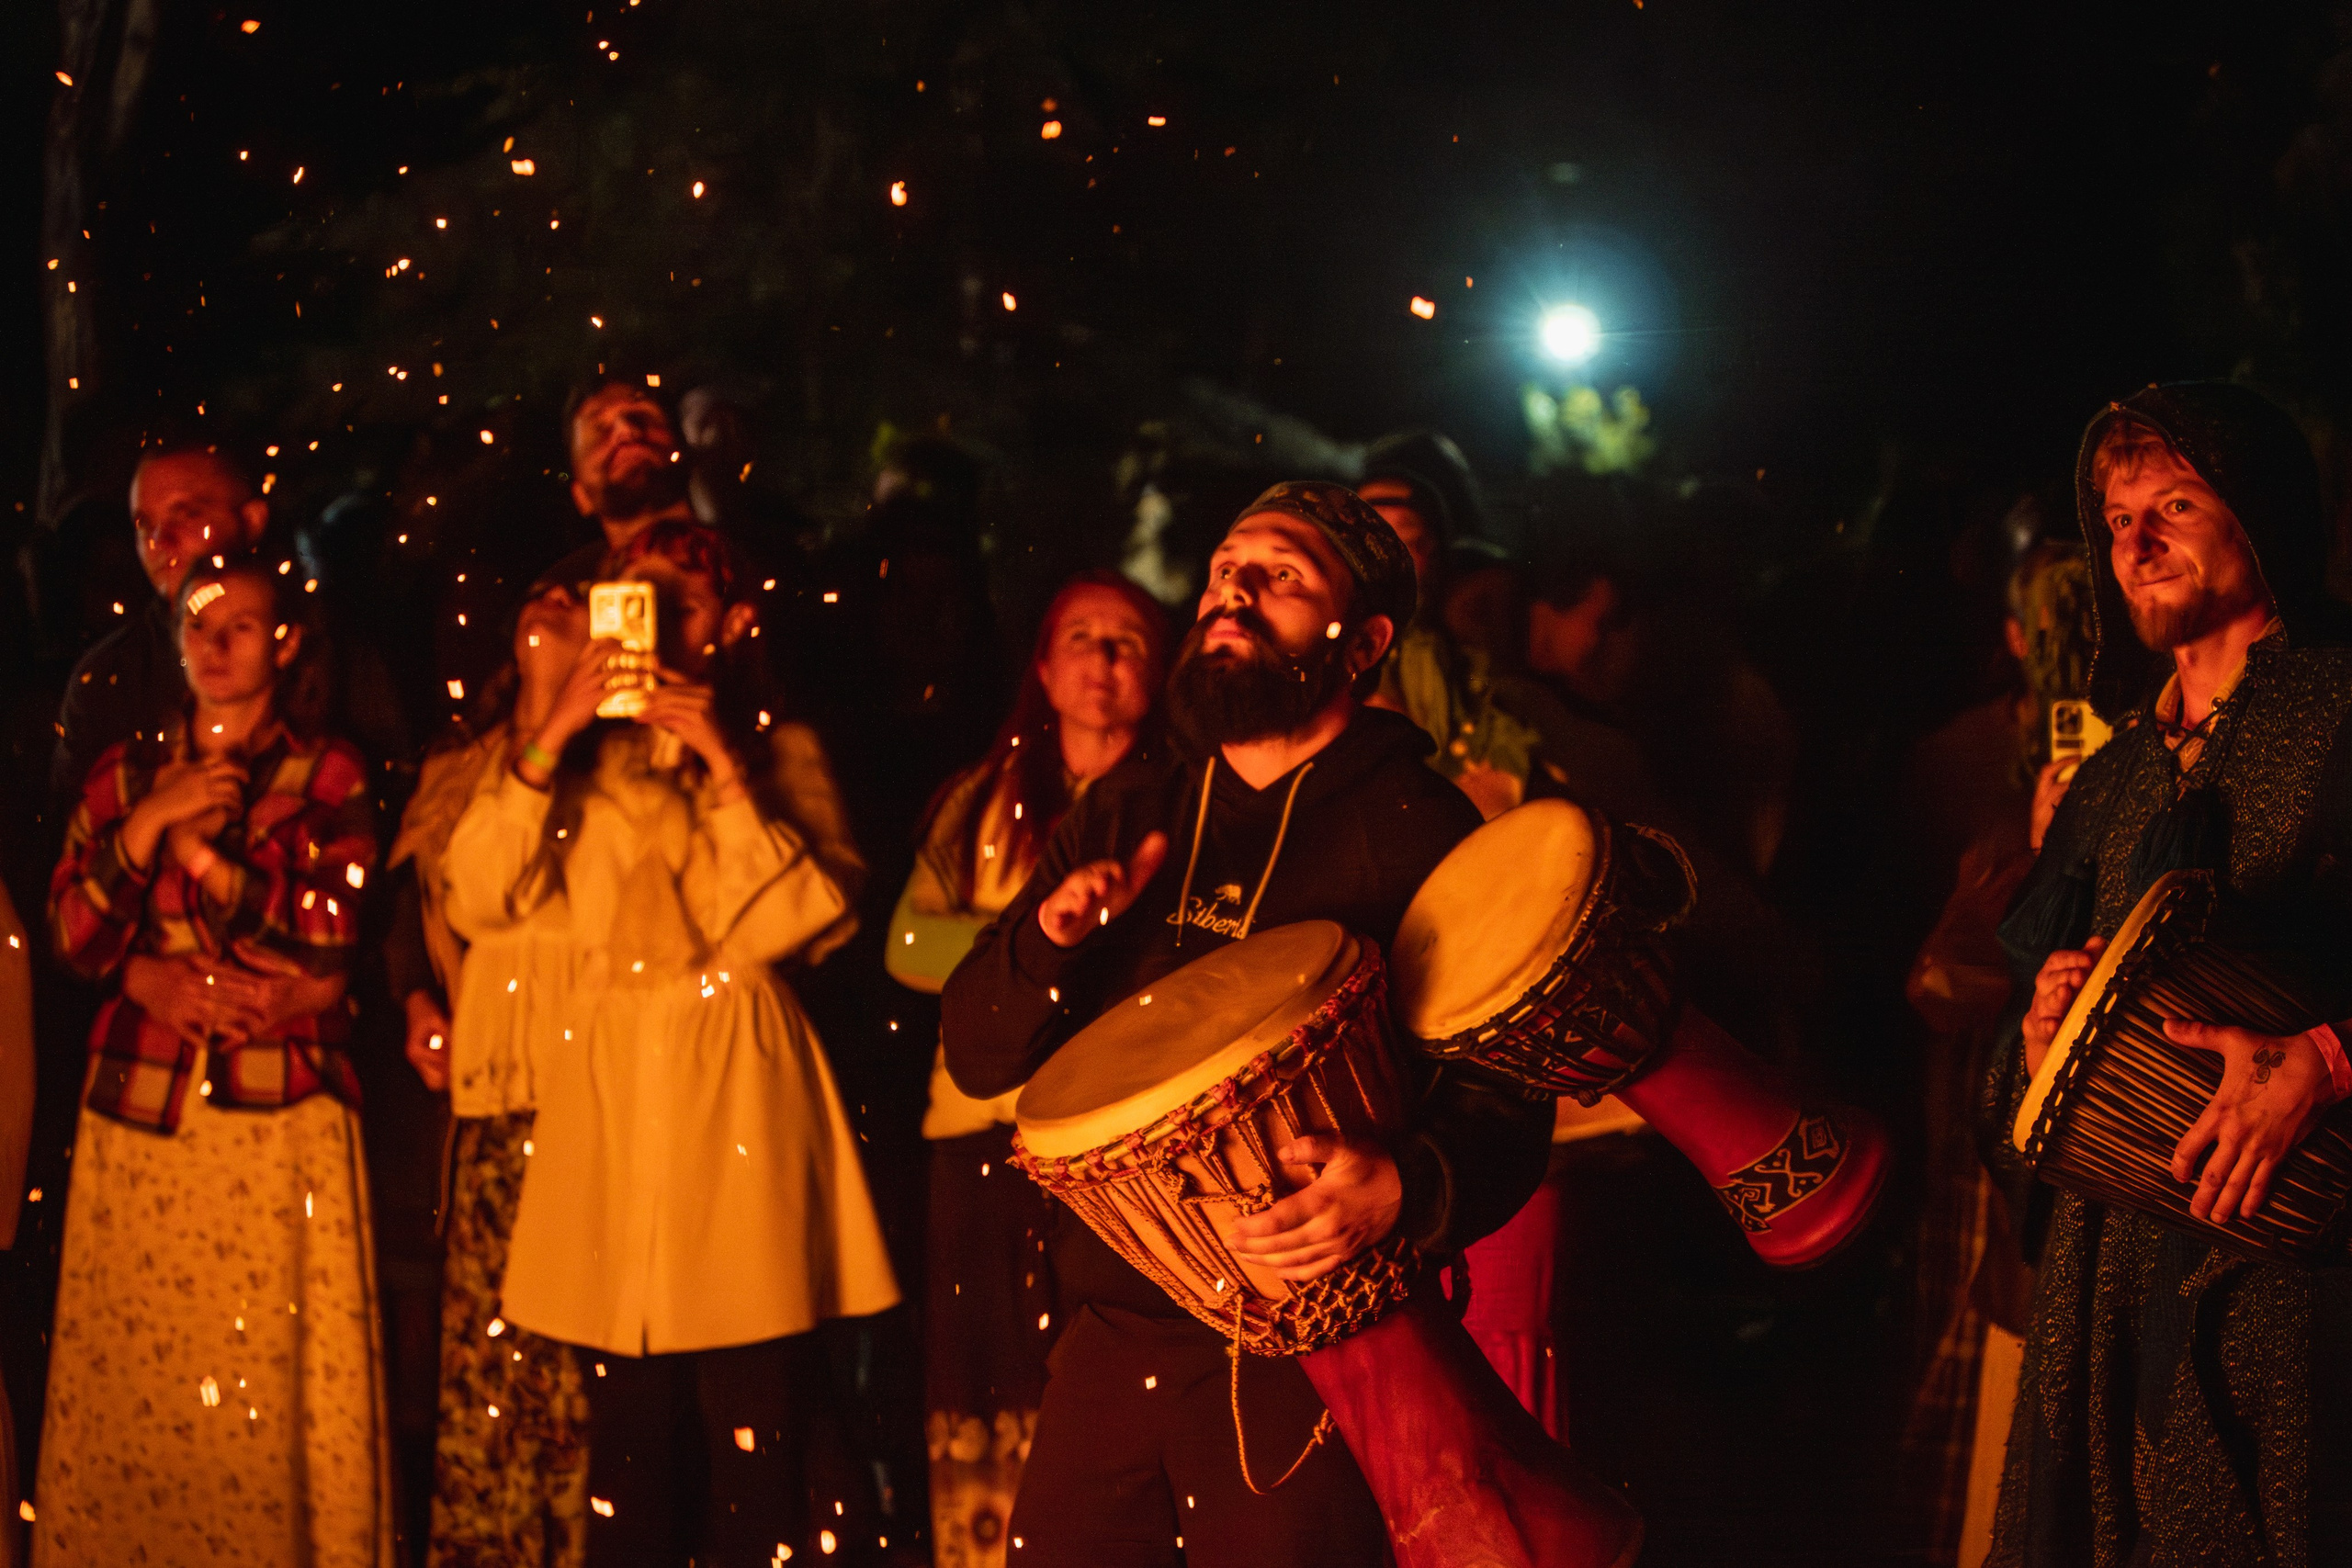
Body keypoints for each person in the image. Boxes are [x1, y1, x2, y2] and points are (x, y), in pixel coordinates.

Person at [942, 481, 1553, 1567]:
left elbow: (1511, 1101)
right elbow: (980, 1053)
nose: (1232, 595)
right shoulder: (1133, 803)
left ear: (1361, 639)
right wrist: (1050, 934)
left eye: (1278, 577)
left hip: (1311, 1351)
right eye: (1225, 571)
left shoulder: (1417, 825)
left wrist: (1406, 1185)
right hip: (1106, 1338)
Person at [449, 521, 897, 1566]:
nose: (652, 624)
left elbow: (802, 918)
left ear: (732, 622)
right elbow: (479, 895)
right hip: (610, 1080)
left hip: (734, 1078)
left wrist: (721, 761)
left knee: (755, 1407)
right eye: (633, 599)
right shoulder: (568, 766)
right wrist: (551, 732)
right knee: (630, 1421)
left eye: (680, 605)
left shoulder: (779, 749)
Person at [1984, 383, 2352, 1567]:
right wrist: (2043, 1033)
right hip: (2113, 1281)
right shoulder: (2109, 781)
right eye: (2116, 514)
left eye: (2175, 503)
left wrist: (2328, 1061)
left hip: (2303, 1274)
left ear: (2260, 518)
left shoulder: (2343, 708)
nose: (2135, 541)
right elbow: (2019, 1080)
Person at [39, 551, 392, 1564]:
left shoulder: (328, 772)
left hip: (281, 1110)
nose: (218, 644)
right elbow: (73, 939)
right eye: (201, 624)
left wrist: (205, 861)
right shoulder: (123, 776)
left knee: (269, 1361)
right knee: (147, 1360)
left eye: (243, 625)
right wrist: (148, 828)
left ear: (283, 643)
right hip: (147, 1109)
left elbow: (330, 933)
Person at [887, 570, 1169, 1568]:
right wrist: (1040, 939)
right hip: (977, 1131)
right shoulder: (983, 799)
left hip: (1115, 1141)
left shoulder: (1181, 803)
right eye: (1081, 638)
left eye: (1126, 640)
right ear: (1042, 671)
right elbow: (908, 949)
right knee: (984, 1381)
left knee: (1091, 1381)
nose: (1101, 660)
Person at [389, 570, 595, 1567]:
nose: (551, 601)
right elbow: (415, 910)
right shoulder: (456, 768)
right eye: (541, 592)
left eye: (578, 596)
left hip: (584, 1097)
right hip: (487, 1100)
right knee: (491, 1365)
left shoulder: (613, 769)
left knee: (572, 1376)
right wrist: (418, 1003)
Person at [50, 444, 268, 807]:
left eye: (186, 514)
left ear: (252, 521)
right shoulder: (107, 678)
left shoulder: (320, 648)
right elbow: (67, 841)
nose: (159, 542)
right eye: (143, 524)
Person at [1357, 431, 1537, 821]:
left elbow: (1499, 771)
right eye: (1367, 544)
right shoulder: (1322, 655)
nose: (1389, 561)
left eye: (1408, 540)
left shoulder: (1466, 647)